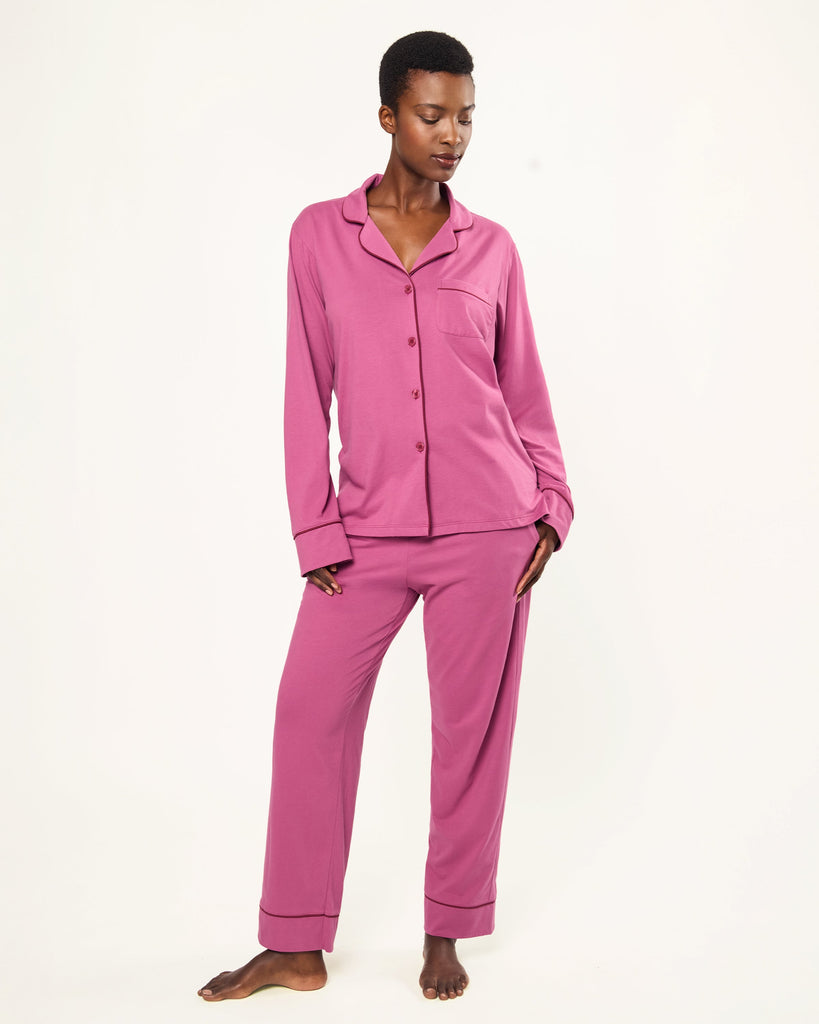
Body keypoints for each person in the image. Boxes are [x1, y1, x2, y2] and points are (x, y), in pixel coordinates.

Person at [197, 29, 573, 1004]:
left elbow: (523, 390)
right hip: (364, 532)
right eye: (432, 115)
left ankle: (447, 931)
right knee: (307, 713)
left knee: (470, 734)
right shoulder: (319, 237)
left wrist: (550, 507)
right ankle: (294, 944)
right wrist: (315, 528)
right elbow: (304, 390)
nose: (452, 135)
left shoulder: (492, 249)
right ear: (387, 117)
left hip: (490, 529)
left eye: (466, 118)